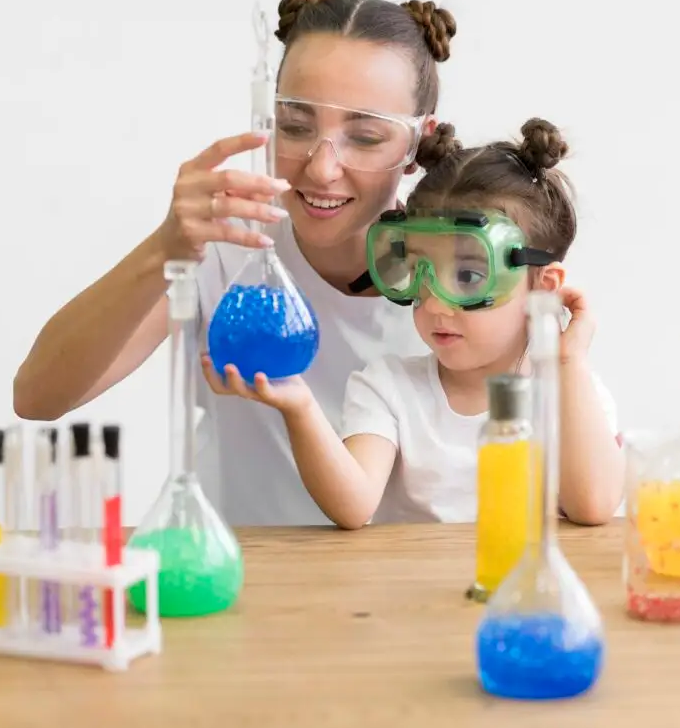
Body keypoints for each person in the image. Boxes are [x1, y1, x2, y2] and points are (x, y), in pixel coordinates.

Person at [12, 0, 459, 525]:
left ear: (418, 143)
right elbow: (37, 397)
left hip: (399, 572)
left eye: (365, 137)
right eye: (295, 127)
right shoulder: (227, 244)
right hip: (238, 563)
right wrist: (163, 249)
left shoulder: (462, 277)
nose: (322, 168)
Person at [202, 118, 624, 528]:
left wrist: (568, 363)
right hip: (412, 578)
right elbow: (353, 506)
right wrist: (301, 406)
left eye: (468, 275)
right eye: (420, 272)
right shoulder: (389, 388)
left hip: (522, 578)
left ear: (542, 288)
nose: (435, 303)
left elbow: (594, 506)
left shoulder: (572, 397)